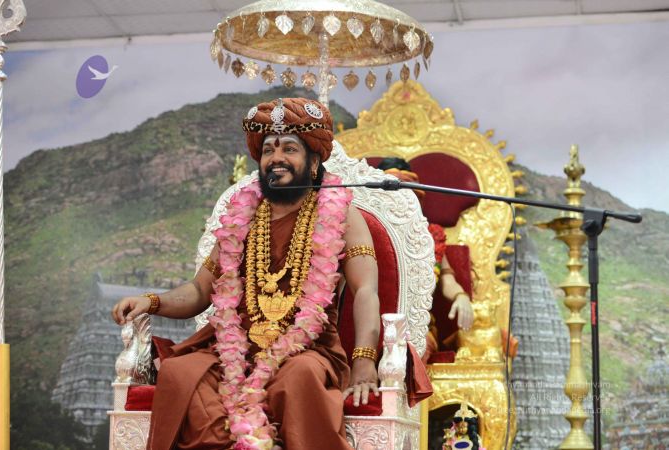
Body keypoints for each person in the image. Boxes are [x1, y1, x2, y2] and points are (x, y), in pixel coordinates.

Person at [112, 98, 381, 450]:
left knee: (298, 376)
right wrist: (150, 301)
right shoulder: (243, 216)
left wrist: (364, 360)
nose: (276, 158)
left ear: (314, 162)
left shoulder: (341, 214)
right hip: (234, 349)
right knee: (180, 372)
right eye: (268, 150)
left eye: (289, 149)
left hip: (306, 350)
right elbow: (199, 291)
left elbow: (366, 291)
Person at [376, 158, 473, 363]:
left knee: (403, 355)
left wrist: (461, 296)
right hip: (369, 322)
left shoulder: (429, 236)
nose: (399, 202)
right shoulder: (365, 230)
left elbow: (446, 278)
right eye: (393, 196)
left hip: (415, 326)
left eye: (407, 196)